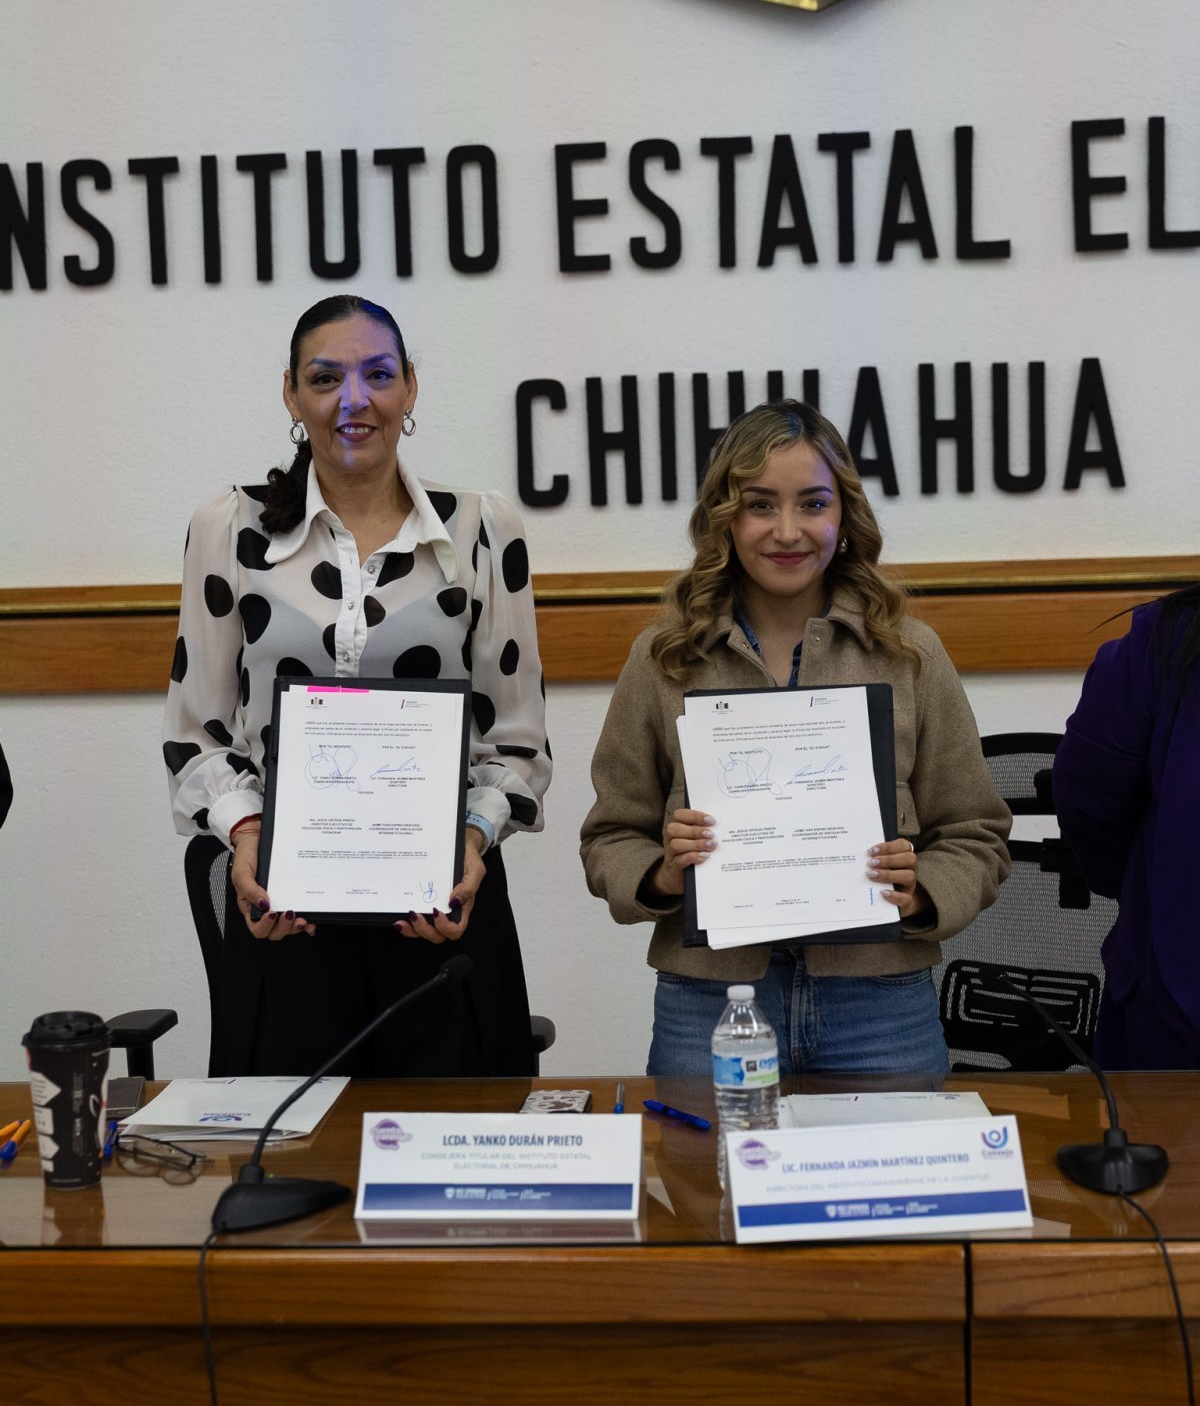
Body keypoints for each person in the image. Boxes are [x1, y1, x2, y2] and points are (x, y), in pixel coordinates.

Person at [163, 294, 550, 1076]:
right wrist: (245, 839)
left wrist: (471, 845)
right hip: (285, 910)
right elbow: (198, 728)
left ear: (409, 387)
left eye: (377, 374)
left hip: (442, 906)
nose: (353, 400)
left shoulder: (481, 528)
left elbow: (516, 737)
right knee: (290, 1168)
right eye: (325, 377)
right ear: (291, 395)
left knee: (460, 1175)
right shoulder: (230, 528)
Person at [581, 400, 1010, 1076]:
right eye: (760, 505)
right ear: (725, 518)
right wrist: (662, 874)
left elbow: (977, 831)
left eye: (812, 504)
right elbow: (609, 837)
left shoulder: (909, 655)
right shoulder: (663, 659)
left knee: (894, 1184)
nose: (788, 531)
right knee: (708, 1183)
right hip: (712, 1000)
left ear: (844, 517)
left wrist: (923, 886)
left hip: (881, 1002)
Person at [1053, 585, 1200, 1069]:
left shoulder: (1164, 637)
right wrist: (1151, 886)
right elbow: (1089, 800)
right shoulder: (1166, 642)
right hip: (1170, 1024)